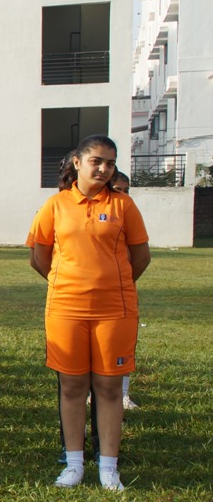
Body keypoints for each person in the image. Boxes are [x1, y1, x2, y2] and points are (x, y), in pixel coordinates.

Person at [29, 135, 150, 491]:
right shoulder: (55, 205)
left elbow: (140, 257)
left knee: (110, 387)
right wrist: (68, 283)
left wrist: (114, 284)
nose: (103, 168)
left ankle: (108, 467)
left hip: (115, 309)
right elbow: (39, 257)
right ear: (77, 163)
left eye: (110, 163)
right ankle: (74, 464)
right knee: (72, 386)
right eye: (96, 161)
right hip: (66, 307)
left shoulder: (123, 205)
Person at [110, 170, 139, 411]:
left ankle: (123, 394)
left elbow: (140, 256)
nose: (123, 196)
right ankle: (92, 392)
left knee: (123, 345)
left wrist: (124, 282)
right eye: (118, 190)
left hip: (122, 294)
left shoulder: (129, 214)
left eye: (127, 190)